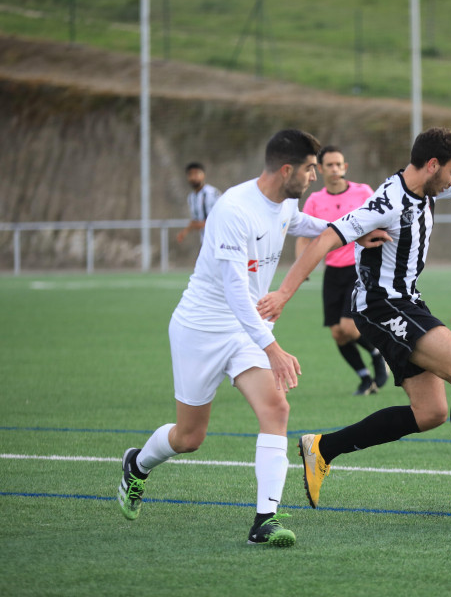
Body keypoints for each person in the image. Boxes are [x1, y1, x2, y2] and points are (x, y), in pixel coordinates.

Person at [257, 127, 451, 519]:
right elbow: (326, 239)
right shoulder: (388, 201)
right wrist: (283, 293)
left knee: (430, 412)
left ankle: (322, 449)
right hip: (382, 306)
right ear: (432, 165)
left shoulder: (429, 187)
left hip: (405, 302)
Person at [115, 129, 388, 547]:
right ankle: (137, 465)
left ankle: (265, 520)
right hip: (201, 329)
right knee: (189, 438)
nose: (314, 177)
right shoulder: (233, 209)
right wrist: (272, 348)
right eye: (310, 169)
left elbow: (301, 222)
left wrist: (353, 233)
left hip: (246, 332)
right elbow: (235, 291)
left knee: (276, 408)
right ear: (286, 169)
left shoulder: (283, 201)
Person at [296, 146, 389, 396]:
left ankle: (378, 356)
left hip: (359, 269)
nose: (335, 169)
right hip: (332, 271)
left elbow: (381, 220)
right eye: (330, 165)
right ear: (321, 169)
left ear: (345, 167)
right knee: (338, 333)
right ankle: (364, 378)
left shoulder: (363, 192)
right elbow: (303, 236)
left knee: (349, 327)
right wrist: (301, 265)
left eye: (339, 164)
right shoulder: (315, 200)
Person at [176, 162, 222, 245]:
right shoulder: (191, 197)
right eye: (190, 174)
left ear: (203, 175)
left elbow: (222, 216)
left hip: (220, 240)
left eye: (196, 173)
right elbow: (196, 221)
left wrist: (202, 224)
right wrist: (184, 232)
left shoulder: (212, 193)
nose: (193, 177)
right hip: (205, 241)